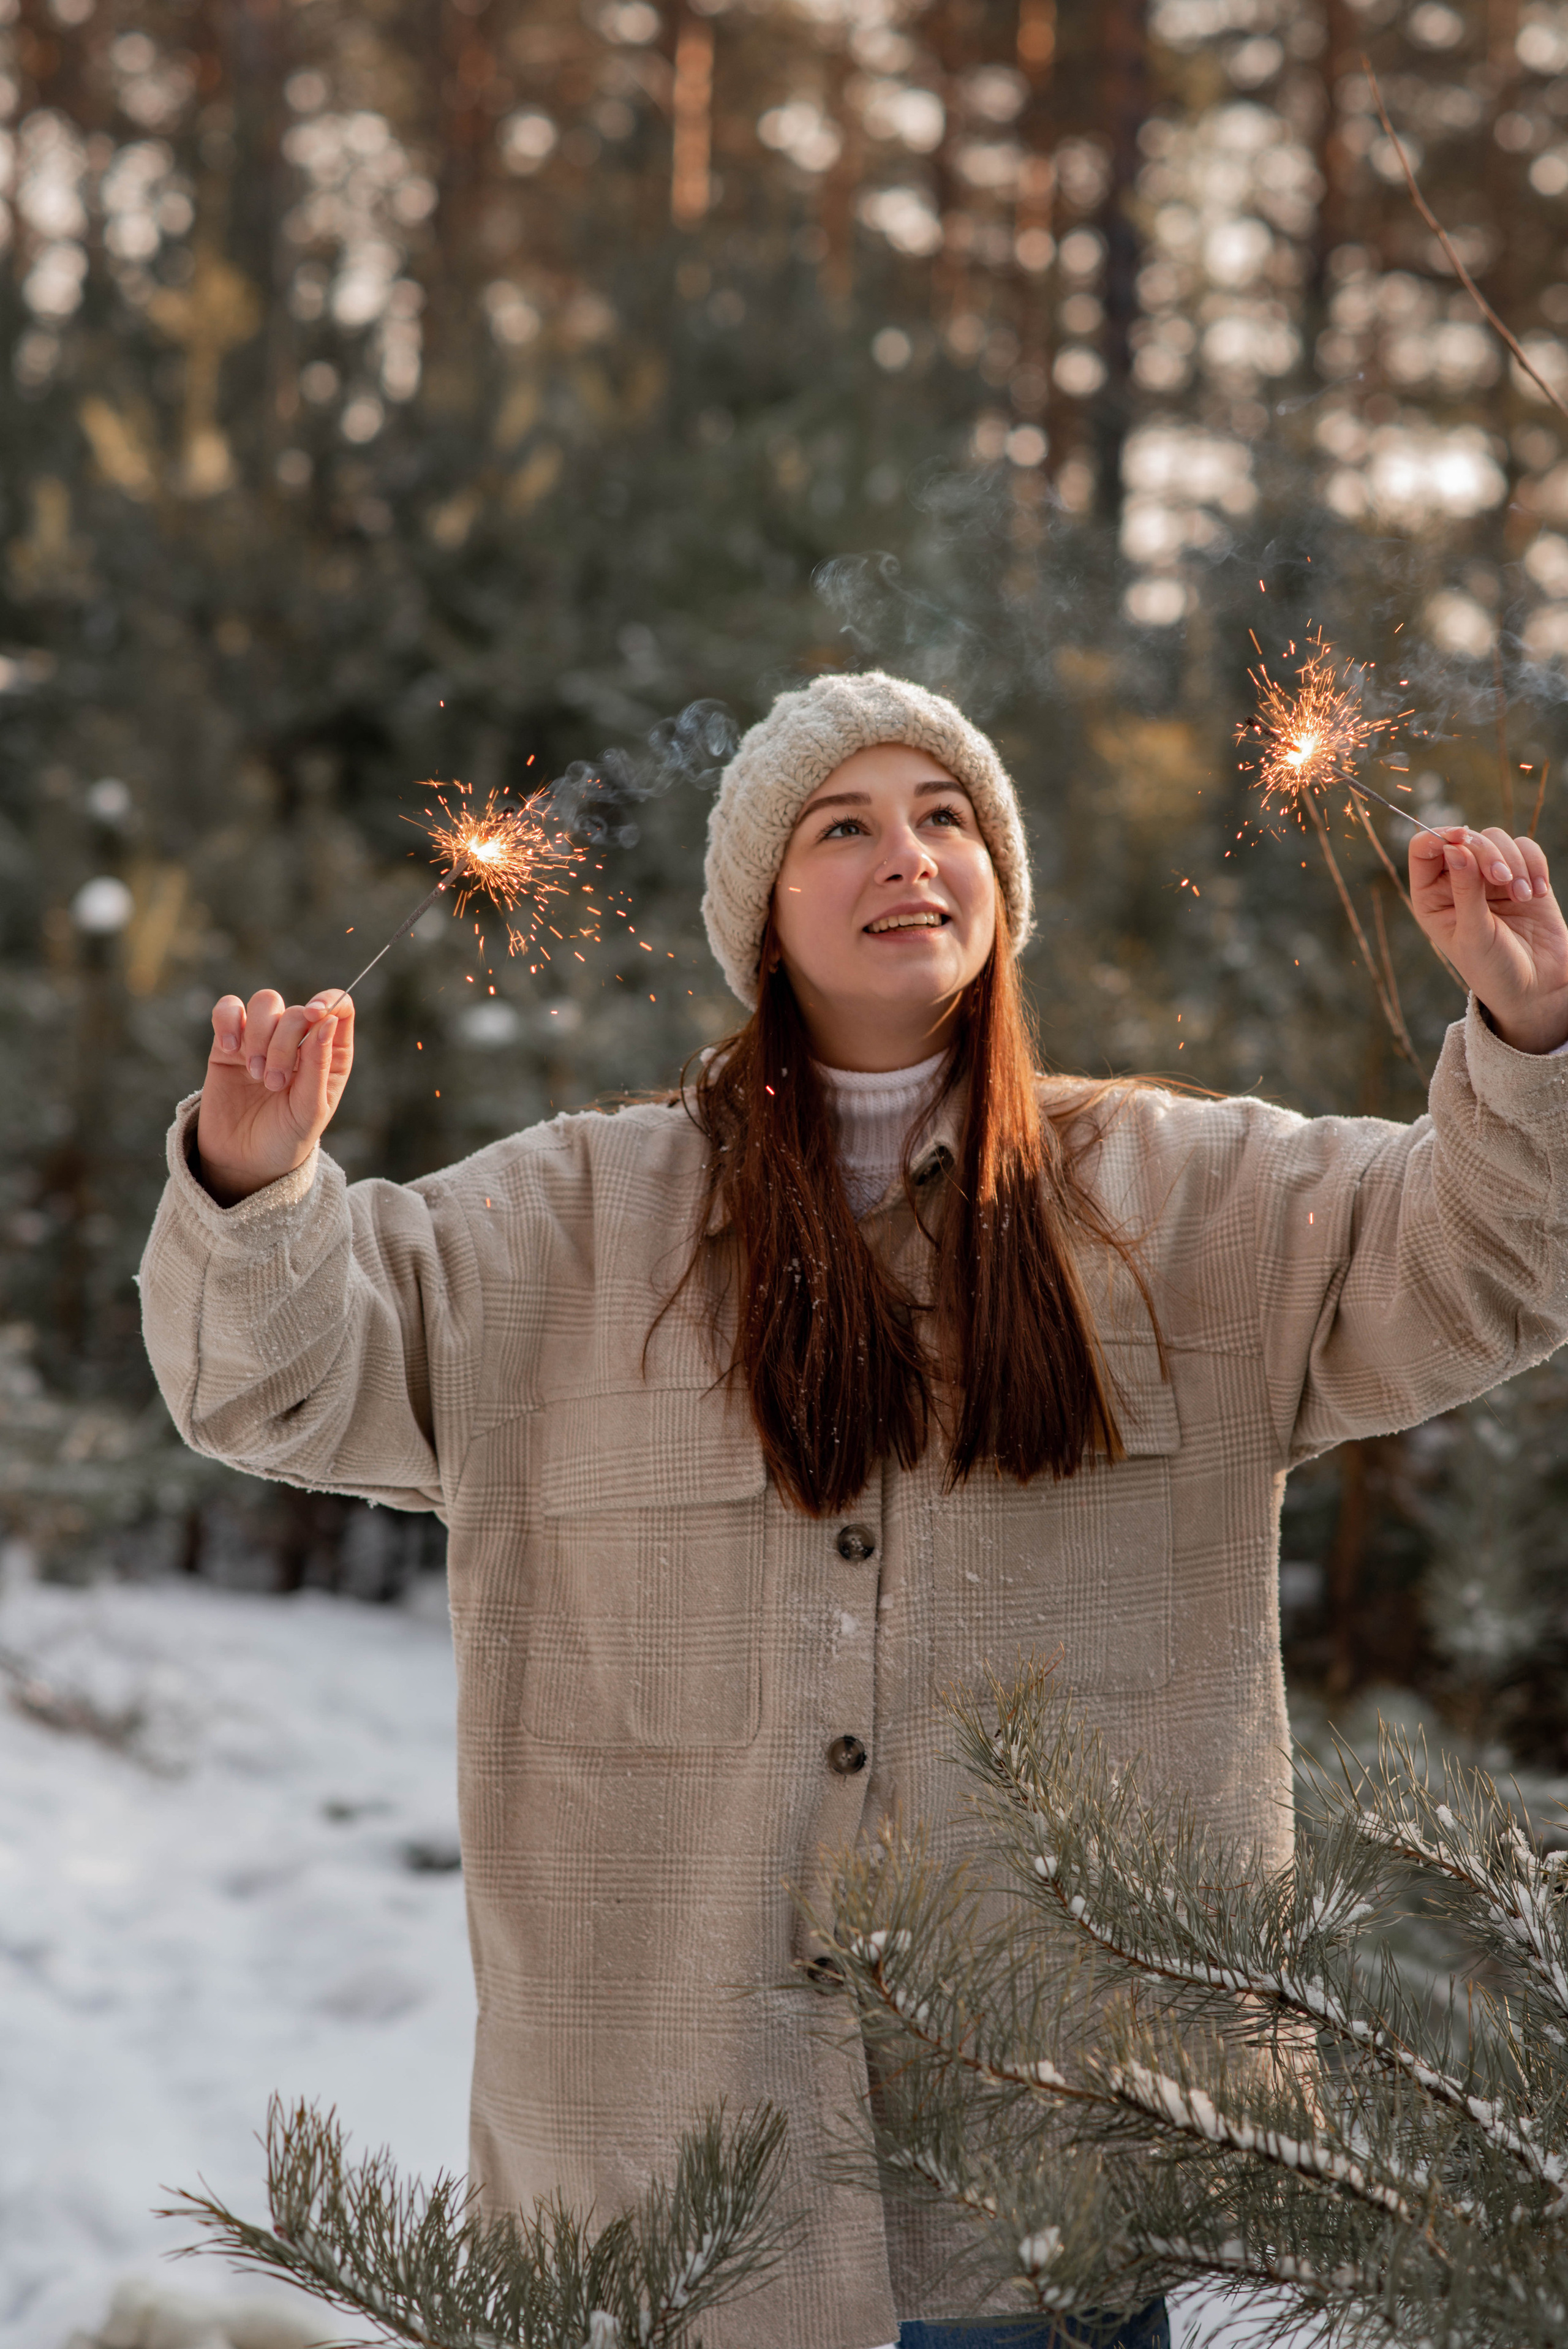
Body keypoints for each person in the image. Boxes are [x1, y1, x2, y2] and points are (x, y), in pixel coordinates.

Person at [140, 670, 1568, 2349]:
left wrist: (1531, 1037)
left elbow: (1486, 1258)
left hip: (1052, 2212)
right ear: (762, 909)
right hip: (666, 2224)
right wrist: (256, 1188)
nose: (912, 854)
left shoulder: (1192, 1201)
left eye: (947, 816)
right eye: (848, 825)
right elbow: (277, 1375)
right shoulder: (569, 1224)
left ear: (1001, 887)